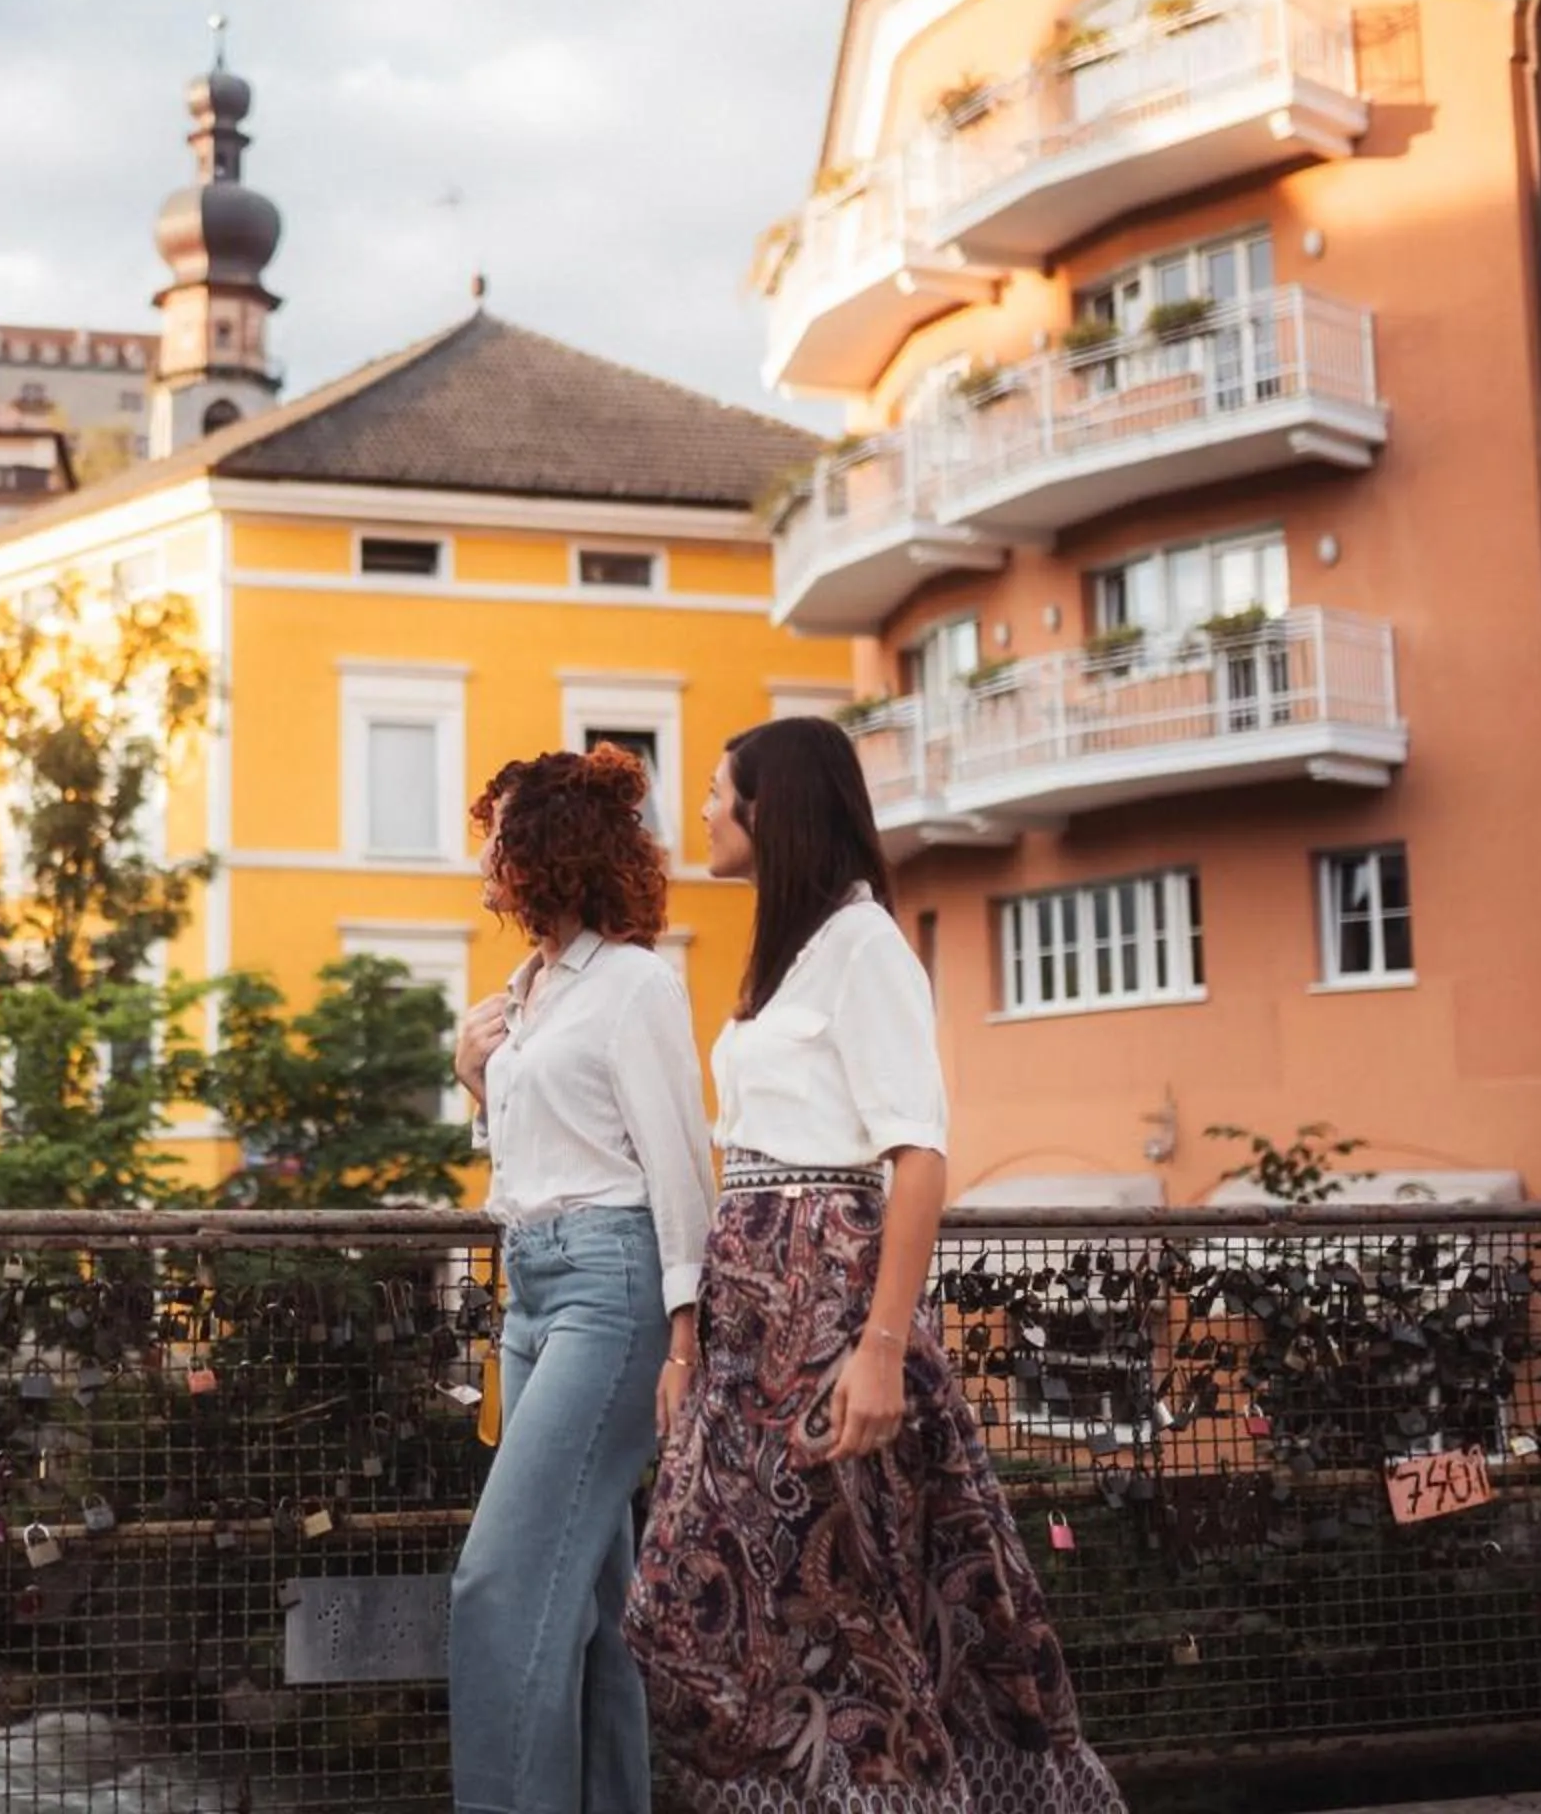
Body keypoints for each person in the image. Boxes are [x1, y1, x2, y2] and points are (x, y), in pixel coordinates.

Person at [623, 715, 1125, 1814]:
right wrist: (690, 1335)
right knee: (696, 1600)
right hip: (749, 1322)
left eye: (716, 790)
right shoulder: (793, 948)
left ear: (772, 808)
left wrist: (882, 1349)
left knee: (837, 1595)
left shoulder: (865, 947)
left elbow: (920, 1153)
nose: (701, 809)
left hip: (825, 1311)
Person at [445, 745, 718, 1814]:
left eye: (497, 829)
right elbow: (528, 1161)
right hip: (533, 1284)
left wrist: (684, 1341)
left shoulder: (636, 981)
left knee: (501, 1583)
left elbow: (679, 1163)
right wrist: (477, 1080)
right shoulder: (530, 990)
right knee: (592, 1597)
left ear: (542, 850)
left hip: (611, 1283)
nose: (483, 849)